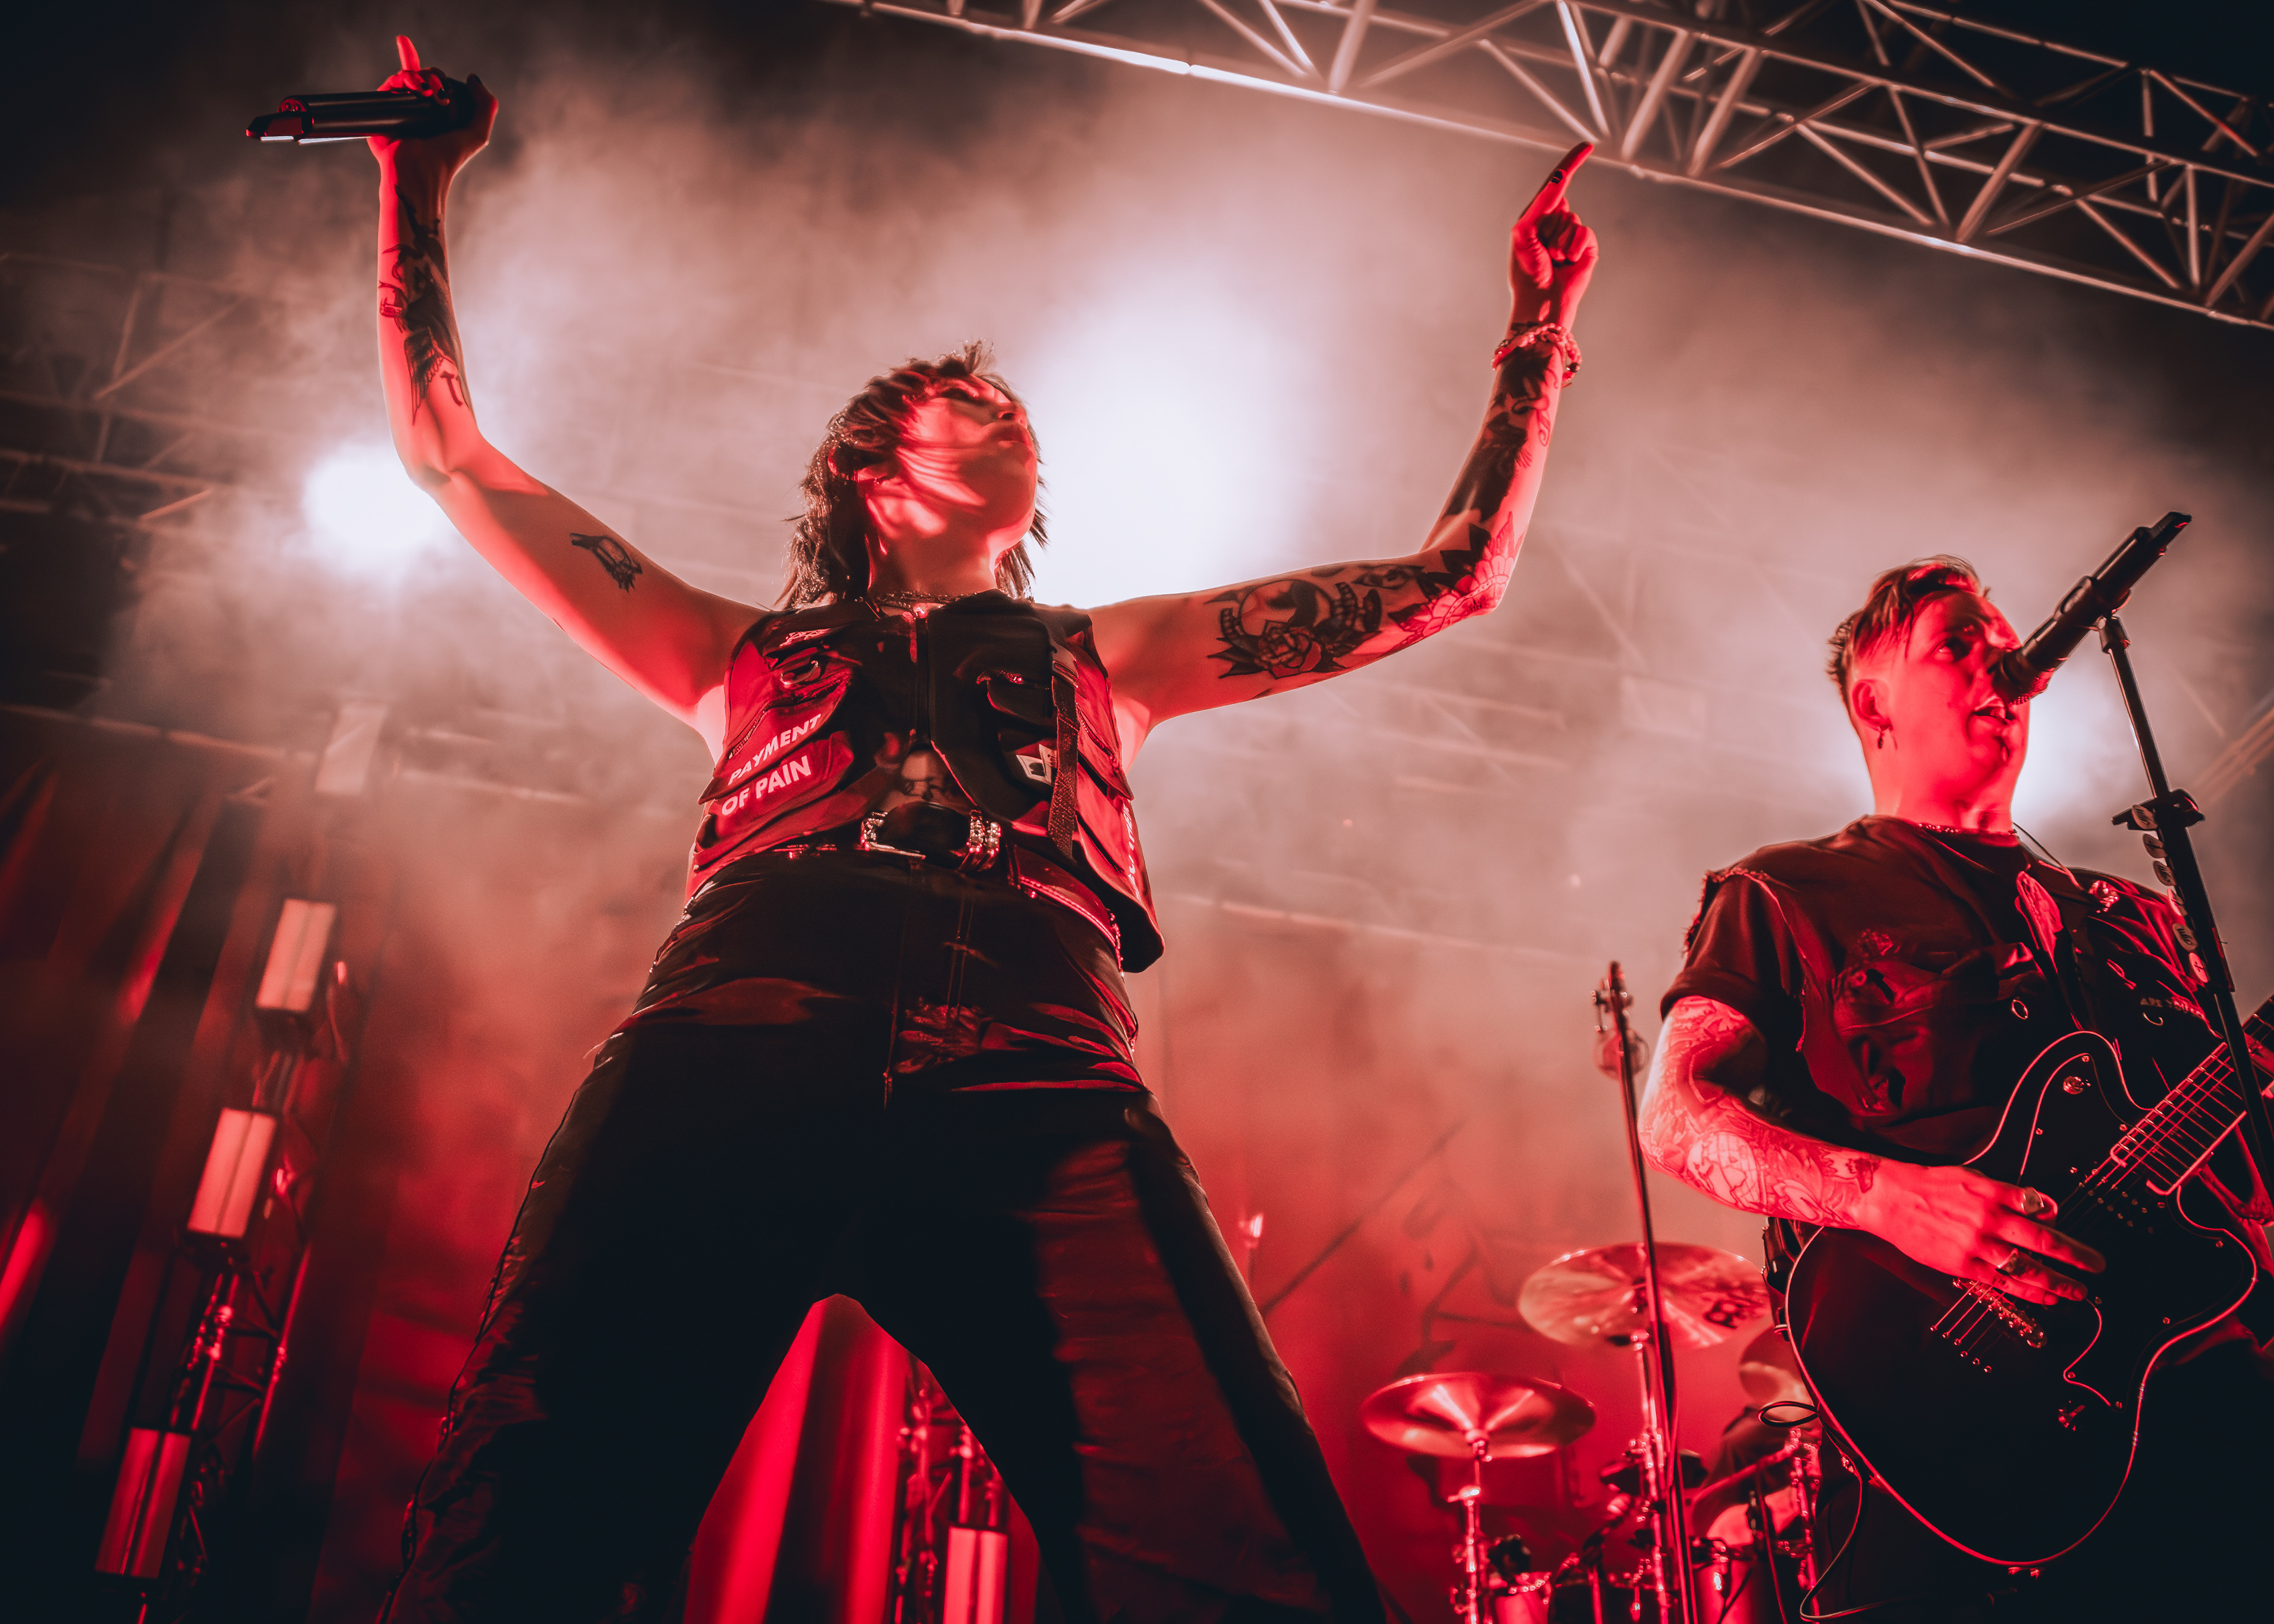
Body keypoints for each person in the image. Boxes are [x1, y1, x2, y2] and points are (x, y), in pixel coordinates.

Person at [362, 34, 1599, 1623]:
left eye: (1014, 404)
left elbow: (1453, 578)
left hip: (1040, 1060)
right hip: (745, 1019)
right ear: (865, 471)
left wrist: (1538, 334)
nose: (1010, 405)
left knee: (1249, 1551)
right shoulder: (732, 649)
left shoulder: (1113, 654)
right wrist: (416, 187)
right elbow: (449, 458)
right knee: (521, 1523)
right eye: (965, 397)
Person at [1640, 557, 2274, 1621]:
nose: (2005, 667)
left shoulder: (2136, 916)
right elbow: (1676, 1114)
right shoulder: (1789, 893)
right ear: (1873, 705)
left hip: (2211, 1423)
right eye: (1959, 644)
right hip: (1955, 1439)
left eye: (2008, 645)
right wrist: (1890, 1199)